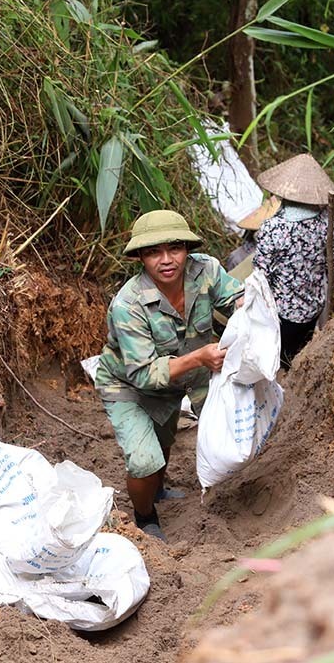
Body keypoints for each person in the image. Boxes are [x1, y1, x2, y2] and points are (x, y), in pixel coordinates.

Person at [94, 210, 243, 542]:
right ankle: (145, 514)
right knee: (144, 459)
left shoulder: (205, 269)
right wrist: (198, 358)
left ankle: (158, 490)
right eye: (153, 252)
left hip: (182, 375)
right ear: (140, 258)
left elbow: (238, 298)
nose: (165, 260)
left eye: (174, 248)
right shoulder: (128, 305)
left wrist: (250, 312)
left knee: (163, 439)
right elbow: (145, 374)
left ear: (187, 249)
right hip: (127, 382)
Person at [250, 154, 334, 369]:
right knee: (297, 355)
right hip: (313, 308)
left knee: (276, 359)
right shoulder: (326, 224)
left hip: (280, 312)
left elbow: (261, 273)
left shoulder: (274, 228)